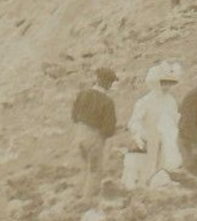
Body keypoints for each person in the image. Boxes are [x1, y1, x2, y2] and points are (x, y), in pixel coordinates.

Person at [125, 63, 183, 189]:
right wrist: (139, 134)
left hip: (167, 140)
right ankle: (143, 189)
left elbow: (174, 119)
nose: (166, 86)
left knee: (166, 165)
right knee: (147, 168)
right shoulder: (145, 101)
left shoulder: (171, 100)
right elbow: (135, 121)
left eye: (169, 83)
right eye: (163, 83)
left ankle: (161, 188)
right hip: (149, 139)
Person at [71, 67, 118, 197]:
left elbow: (74, 116)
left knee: (84, 168)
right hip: (95, 138)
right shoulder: (107, 102)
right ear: (108, 83)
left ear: (97, 79)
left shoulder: (82, 94)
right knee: (95, 171)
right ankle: (86, 202)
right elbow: (109, 130)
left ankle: (76, 198)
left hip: (79, 134)